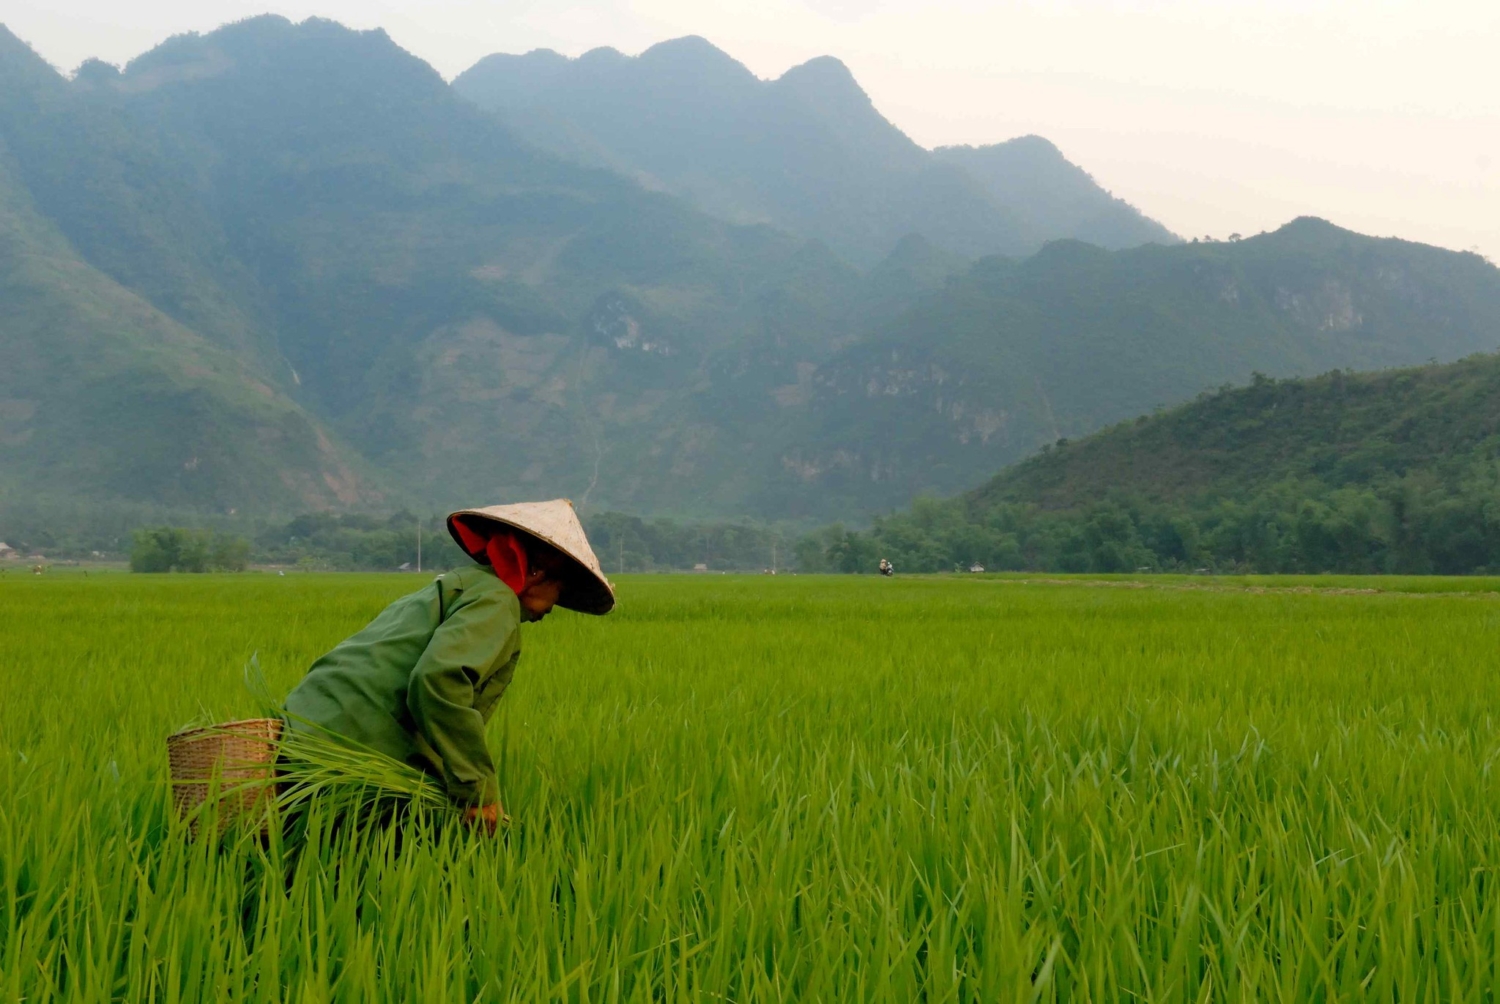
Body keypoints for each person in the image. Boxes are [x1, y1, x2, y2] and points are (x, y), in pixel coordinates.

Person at [283, 499, 615, 834]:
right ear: (535, 572)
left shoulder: (462, 584)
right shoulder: (496, 601)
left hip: (306, 728)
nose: (554, 606)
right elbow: (440, 679)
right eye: (560, 589)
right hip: (354, 749)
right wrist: (478, 792)